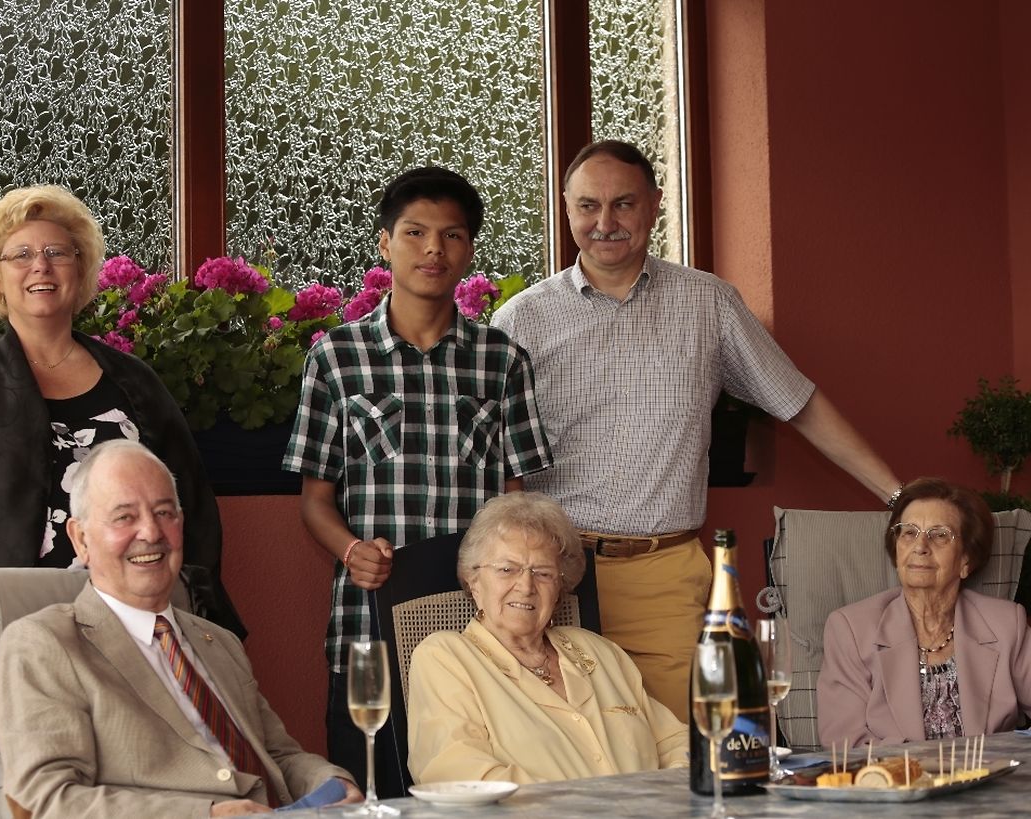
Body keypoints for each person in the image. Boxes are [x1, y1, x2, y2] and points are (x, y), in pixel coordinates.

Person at [490, 140, 901, 719]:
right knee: (563, 749)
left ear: (655, 204)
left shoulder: (709, 304)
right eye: (587, 206)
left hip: (663, 576)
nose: (605, 222)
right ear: (565, 207)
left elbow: (798, 403)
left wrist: (899, 496)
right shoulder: (520, 319)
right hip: (552, 575)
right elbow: (491, 454)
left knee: (682, 747)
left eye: (623, 204)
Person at [0, 185, 241, 818]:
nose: (41, 267)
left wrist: (195, 629)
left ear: (81, 269)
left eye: (58, 252)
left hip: (127, 649)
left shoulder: (135, 384)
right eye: (21, 254)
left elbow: (191, 510)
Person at [282, 166, 553, 789]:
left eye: (451, 235)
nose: (433, 249)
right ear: (385, 243)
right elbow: (315, 500)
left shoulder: (502, 361)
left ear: (469, 250)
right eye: (415, 232)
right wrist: (351, 550)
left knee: (484, 791)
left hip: (480, 628)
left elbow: (518, 502)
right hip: (369, 625)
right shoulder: (335, 357)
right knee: (370, 792)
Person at [0, 440, 360, 816]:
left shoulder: (219, 642)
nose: (151, 532)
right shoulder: (45, 644)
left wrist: (332, 783)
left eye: (164, 512)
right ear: (81, 539)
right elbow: (45, 801)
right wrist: (207, 815)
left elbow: (279, 756)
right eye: (124, 517)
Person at [408, 492, 686, 783]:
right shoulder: (446, 657)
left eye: (542, 573)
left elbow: (675, 742)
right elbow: (456, 771)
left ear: (559, 590)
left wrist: (663, 793)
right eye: (507, 569)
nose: (526, 586)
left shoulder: (599, 651)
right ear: (473, 581)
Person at [817, 478, 1031, 745]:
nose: (920, 546)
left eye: (940, 535)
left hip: (989, 770)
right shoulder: (851, 629)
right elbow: (845, 741)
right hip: (896, 772)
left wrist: (1014, 754)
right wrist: (921, 766)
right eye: (908, 533)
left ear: (966, 560)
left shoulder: (1005, 624)